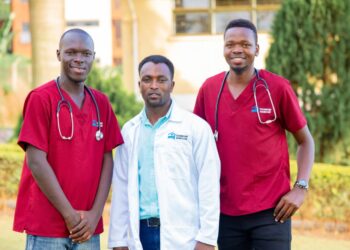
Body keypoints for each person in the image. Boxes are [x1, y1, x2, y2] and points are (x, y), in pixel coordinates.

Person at [193, 19, 315, 250]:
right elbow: (194, 147)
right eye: (230, 44)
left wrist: (301, 187)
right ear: (223, 49)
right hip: (224, 213)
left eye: (245, 44)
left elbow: (305, 141)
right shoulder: (209, 90)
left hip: (272, 212)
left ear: (256, 49)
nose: (237, 49)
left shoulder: (277, 88)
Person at [13, 28, 124, 250]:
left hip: (87, 228)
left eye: (85, 54)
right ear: (58, 55)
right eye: (71, 52)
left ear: (93, 57)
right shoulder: (40, 99)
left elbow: (107, 160)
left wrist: (95, 214)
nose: (78, 59)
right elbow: (36, 161)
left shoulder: (101, 103)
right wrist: (69, 215)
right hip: (47, 227)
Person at [108, 55, 220, 250]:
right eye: (147, 79)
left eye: (161, 80)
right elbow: (121, 187)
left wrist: (207, 239)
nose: (153, 85)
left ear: (172, 85)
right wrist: (118, 240)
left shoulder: (196, 128)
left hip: (185, 237)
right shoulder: (129, 130)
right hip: (140, 235)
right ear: (139, 84)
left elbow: (209, 184)